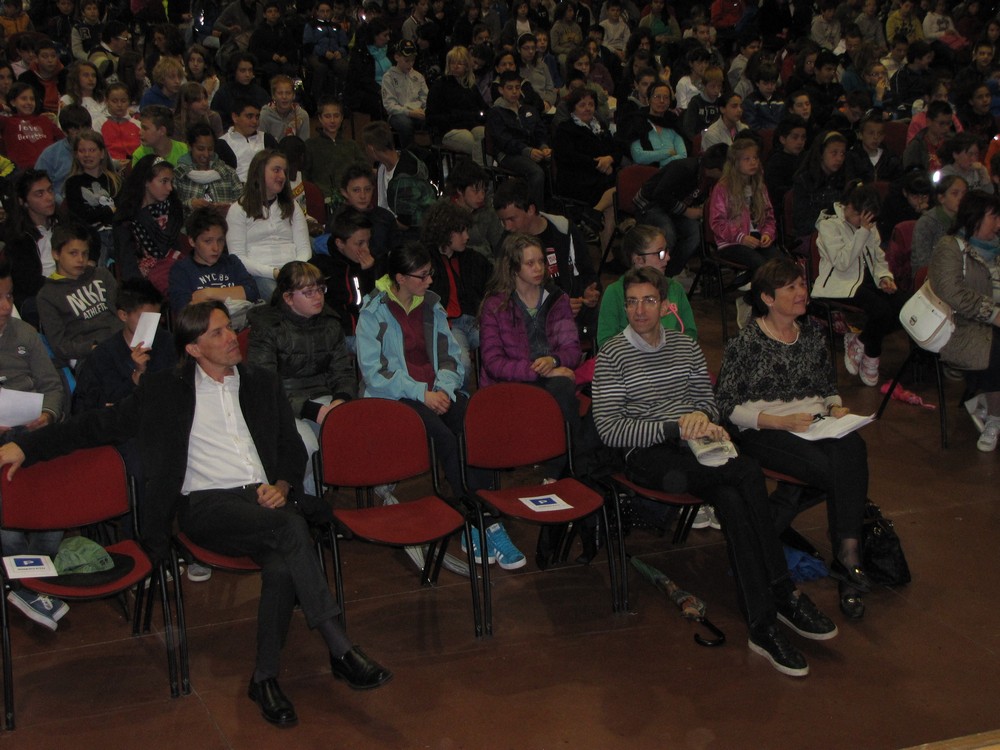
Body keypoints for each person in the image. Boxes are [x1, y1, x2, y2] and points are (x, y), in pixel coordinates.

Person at [0, 299, 393, 726]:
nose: (231, 338)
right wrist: (26, 445)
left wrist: (281, 486)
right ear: (192, 348)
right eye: (217, 333)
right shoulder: (164, 390)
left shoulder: (262, 383)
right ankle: (340, 648)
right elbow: (93, 427)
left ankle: (264, 678)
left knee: (282, 562)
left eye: (230, 329)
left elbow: (291, 448)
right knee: (291, 527)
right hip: (206, 506)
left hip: (262, 502)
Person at [592, 265, 837, 677]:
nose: (639, 310)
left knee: (731, 499)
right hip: (647, 454)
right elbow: (610, 430)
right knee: (746, 473)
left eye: (648, 300)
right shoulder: (613, 355)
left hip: (695, 444)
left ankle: (762, 624)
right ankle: (783, 592)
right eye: (631, 302)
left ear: (665, 304)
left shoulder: (685, 346)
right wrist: (674, 426)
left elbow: (708, 402)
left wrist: (701, 418)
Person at [716, 258, 873, 620]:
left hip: (815, 424)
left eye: (802, 284)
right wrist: (777, 421)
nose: (802, 292)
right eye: (791, 287)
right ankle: (849, 563)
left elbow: (827, 388)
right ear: (768, 298)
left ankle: (847, 556)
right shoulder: (746, 342)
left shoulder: (813, 336)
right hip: (765, 428)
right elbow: (725, 405)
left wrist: (836, 408)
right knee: (833, 470)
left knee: (853, 446)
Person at [356, 243, 526, 569]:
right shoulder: (373, 312)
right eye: (422, 276)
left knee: (473, 428)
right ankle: (475, 519)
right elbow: (376, 373)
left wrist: (443, 389)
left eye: (430, 273)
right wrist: (422, 393)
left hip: (437, 391)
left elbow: (451, 357)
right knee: (446, 440)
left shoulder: (432, 306)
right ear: (400, 278)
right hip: (397, 397)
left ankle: (484, 518)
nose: (430, 281)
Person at [0, 256, 68, 631]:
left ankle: (32, 581)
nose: (5, 306)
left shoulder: (24, 334)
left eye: (9, 296)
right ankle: (27, 584)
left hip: (31, 430)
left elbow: (53, 387)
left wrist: (48, 414)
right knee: (8, 505)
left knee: (53, 492)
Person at [248, 260, 355, 495]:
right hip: (283, 405)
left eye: (320, 289)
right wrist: (310, 410)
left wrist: (340, 400)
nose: (318, 297)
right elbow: (265, 387)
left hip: (324, 398)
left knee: (358, 432)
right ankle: (304, 502)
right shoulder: (267, 327)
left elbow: (343, 372)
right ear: (288, 298)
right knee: (305, 447)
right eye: (308, 292)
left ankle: (326, 499)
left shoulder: (330, 323)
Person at [929, 190, 1000, 452]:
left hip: (991, 321)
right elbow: (951, 292)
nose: (999, 224)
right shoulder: (950, 246)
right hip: (962, 325)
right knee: (996, 350)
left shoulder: (997, 247)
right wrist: (993, 313)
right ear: (975, 217)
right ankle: (994, 418)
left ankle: (985, 404)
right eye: (994, 217)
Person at [812, 183, 900, 387]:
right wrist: (862, 232)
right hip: (840, 283)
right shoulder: (829, 224)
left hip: (866, 281)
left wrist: (884, 277)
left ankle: (860, 341)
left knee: (904, 306)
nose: (864, 223)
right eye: (860, 217)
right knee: (881, 311)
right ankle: (872, 354)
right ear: (849, 207)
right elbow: (842, 263)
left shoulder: (868, 223)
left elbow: (878, 258)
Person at [493, 178, 601, 343]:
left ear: (530, 210)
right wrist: (558, 307)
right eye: (503, 221)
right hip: (534, 322)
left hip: (574, 314)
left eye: (512, 219)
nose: (507, 227)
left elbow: (588, 274)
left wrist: (589, 292)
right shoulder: (506, 245)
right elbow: (505, 294)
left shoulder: (564, 230)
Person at [708, 137, 781, 326]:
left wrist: (768, 234)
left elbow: (769, 216)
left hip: (756, 239)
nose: (753, 162)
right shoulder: (723, 188)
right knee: (760, 265)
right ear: (735, 162)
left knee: (780, 264)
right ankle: (756, 309)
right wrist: (740, 237)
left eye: (755, 158)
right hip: (731, 242)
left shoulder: (759, 186)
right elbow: (717, 223)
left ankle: (751, 296)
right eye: (747, 159)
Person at [633, 143, 728, 277]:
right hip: (650, 204)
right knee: (667, 234)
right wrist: (686, 211)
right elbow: (660, 194)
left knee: (695, 233)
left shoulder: (707, 178)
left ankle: (669, 273)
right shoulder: (684, 168)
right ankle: (650, 275)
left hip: (674, 208)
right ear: (715, 169)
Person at [422, 201, 492, 381]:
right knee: (462, 364)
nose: (467, 236)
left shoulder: (474, 259)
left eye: (466, 230)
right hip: (448, 325)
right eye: (461, 232)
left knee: (501, 350)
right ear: (445, 232)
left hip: (476, 321)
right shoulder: (425, 260)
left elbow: (494, 285)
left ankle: (494, 393)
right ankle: (461, 397)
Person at [227, 149, 311, 300]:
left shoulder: (293, 206)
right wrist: (273, 273)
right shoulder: (238, 209)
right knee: (284, 299)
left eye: (284, 171)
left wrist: (293, 272)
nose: (282, 176)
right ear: (259, 172)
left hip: (294, 273)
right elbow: (237, 257)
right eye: (276, 170)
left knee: (313, 294)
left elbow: (304, 248)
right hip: (259, 276)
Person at [37, 222, 122, 368]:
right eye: (73, 253)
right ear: (56, 254)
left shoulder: (101, 275)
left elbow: (122, 311)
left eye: (85, 253)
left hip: (120, 341)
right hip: (88, 355)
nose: (81, 259)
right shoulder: (47, 296)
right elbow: (59, 345)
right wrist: (92, 348)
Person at [597, 224, 696, 348]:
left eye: (667, 251)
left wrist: (671, 351)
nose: (667, 257)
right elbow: (605, 341)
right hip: (630, 358)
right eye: (660, 253)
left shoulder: (675, 288)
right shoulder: (615, 292)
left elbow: (690, 332)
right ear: (638, 260)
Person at [553, 86, 622, 252]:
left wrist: (609, 159)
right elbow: (569, 158)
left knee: (615, 194)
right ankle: (607, 247)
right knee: (615, 191)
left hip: (601, 178)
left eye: (591, 104)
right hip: (576, 179)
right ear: (573, 108)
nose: (587, 108)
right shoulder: (565, 129)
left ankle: (594, 215)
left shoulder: (600, 127)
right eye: (582, 105)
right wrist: (600, 165)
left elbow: (617, 150)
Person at [112, 155, 186, 293]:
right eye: (164, 181)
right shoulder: (127, 218)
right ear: (146, 181)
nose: (170, 188)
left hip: (175, 276)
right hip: (142, 285)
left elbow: (176, 250)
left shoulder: (173, 209)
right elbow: (128, 265)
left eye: (171, 182)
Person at [169, 207, 261, 317]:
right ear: (192, 241)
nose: (216, 248)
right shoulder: (181, 270)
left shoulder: (232, 262)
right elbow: (184, 309)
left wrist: (207, 293)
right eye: (208, 241)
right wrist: (234, 293)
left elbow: (252, 292)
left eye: (220, 240)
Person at [485, 69, 551, 210]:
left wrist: (544, 146)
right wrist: (527, 151)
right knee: (536, 172)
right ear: (501, 90)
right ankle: (535, 211)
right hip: (507, 155)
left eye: (517, 87)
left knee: (555, 163)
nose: (514, 91)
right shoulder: (495, 112)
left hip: (532, 151)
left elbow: (540, 131)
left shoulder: (529, 109)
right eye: (510, 88)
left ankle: (553, 207)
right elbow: (503, 140)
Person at [3, 170, 59, 327]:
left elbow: (91, 236)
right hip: (41, 294)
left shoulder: (61, 221)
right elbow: (29, 282)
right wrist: (64, 285)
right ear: (23, 201)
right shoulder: (17, 237)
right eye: (39, 194)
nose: (49, 197)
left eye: (50, 190)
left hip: (70, 282)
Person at [63, 129, 120, 266]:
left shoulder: (115, 181)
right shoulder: (72, 183)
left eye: (92, 150)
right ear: (76, 154)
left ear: (102, 153)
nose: (87, 155)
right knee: (96, 264)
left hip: (117, 233)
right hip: (92, 236)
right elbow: (80, 216)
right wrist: (109, 211)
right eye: (82, 151)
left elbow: (123, 211)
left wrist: (101, 214)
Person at [426, 46, 487, 167]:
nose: (456, 66)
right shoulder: (440, 85)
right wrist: (460, 116)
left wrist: (478, 116)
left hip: (472, 126)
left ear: (467, 66)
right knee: (472, 143)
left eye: (460, 63)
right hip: (449, 129)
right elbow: (431, 116)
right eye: (452, 62)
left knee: (484, 136)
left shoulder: (471, 86)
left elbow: (483, 109)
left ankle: (482, 172)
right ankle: (480, 173)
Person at [304, 97, 370, 206]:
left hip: (349, 200)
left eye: (336, 116)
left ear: (342, 118)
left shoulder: (351, 145)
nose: (332, 120)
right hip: (322, 200)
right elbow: (305, 176)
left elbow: (364, 170)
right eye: (327, 116)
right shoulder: (310, 145)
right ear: (320, 118)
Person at [173, 122, 244, 221]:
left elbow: (243, 203)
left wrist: (229, 208)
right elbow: (171, 208)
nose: (206, 154)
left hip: (225, 226)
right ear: (190, 146)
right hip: (191, 228)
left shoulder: (228, 173)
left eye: (210, 149)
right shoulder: (179, 174)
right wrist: (190, 204)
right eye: (200, 149)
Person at [791, 130, 848, 239]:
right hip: (813, 236)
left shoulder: (844, 179)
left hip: (840, 233)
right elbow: (801, 222)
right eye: (834, 153)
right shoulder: (804, 181)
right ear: (821, 153)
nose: (839, 158)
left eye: (842, 154)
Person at [911, 174, 967, 279]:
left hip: (958, 273)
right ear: (941, 198)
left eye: (964, 194)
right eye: (955, 193)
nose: (961, 198)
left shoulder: (965, 219)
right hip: (930, 277)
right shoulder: (926, 223)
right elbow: (922, 261)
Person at [0, 83, 63, 170]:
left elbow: (64, 141)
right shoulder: (7, 122)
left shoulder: (45, 120)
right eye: (24, 99)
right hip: (21, 173)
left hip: (49, 171)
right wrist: (2, 106)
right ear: (13, 102)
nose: (29, 102)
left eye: (32, 99)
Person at [260, 74, 309, 142]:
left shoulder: (302, 116)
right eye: (280, 93)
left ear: (294, 95)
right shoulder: (265, 115)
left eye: (288, 93)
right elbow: (261, 144)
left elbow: (305, 143)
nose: (284, 97)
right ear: (273, 96)